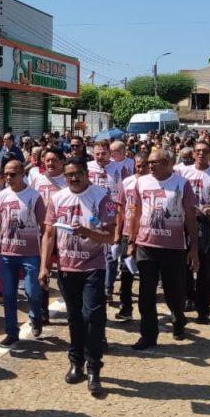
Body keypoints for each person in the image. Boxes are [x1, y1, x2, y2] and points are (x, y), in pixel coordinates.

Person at [40, 158, 117, 396]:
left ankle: (94, 367)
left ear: (86, 174)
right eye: (69, 175)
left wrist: (87, 232)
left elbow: (110, 236)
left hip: (93, 267)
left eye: (78, 174)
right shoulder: (57, 198)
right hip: (67, 268)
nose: (74, 178)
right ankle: (76, 362)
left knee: (92, 316)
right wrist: (44, 266)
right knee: (74, 318)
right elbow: (49, 234)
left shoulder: (101, 197)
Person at [126, 148, 198, 350]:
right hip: (146, 245)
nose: (150, 166)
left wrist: (193, 247)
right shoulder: (141, 182)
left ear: (168, 163)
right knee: (146, 293)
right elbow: (136, 213)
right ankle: (148, 335)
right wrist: (131, 241)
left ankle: (178, 319)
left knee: (174, 291)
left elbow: (190, 216)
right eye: (149, 162)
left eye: (154, 162)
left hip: (173, 248)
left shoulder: (182, 184)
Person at [0, 159, 46, 346]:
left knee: (32, 291)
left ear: (22, 174)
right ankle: (11, 332)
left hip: (31, 253)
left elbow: (45, 228)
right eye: (6, 174)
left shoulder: (34, 196)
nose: (8, 178)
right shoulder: (2, 196)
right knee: (9, 294)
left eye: (13, 174)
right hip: (7, 254)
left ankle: (35, 315)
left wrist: (46, 258)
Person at [182, 141, 210, 323]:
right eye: (198, 151)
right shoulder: (182, 171)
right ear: (193, 153)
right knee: (184, 263)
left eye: (205, 151)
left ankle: (203, 309)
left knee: (204, 267)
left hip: (205, 222)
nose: (201, 154)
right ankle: (188, 298)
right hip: (184, 221)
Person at [28, 147, 67, 324]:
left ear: (62, 161)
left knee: (65, 272)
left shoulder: (68, 179)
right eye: (47, 160)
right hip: (43, 232)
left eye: (54, 160)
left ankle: (72, 305)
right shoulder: (37, 179)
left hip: (63, 232)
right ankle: (43, 311)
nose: (50, 163)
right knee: (44, 270)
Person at [113, 152, 150, 321]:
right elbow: (120, 209)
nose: (141, 169)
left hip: (147, 234)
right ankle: (126, 306)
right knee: (126, 271)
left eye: (144, 165)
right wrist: (117, 232)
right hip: (127, 232)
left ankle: (146, 309)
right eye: (138, 165)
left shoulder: (153, 183)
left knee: (146, 272)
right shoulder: (126, 182)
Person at [87, 140, 124, 304]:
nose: (100, 157)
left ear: (110, 154)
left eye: (103, 153)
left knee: (110, 253)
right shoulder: (87, 167)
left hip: (111, 213)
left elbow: (123, 194)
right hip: (91, 214)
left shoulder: (119, 168)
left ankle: (107, 288)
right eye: (97, 154)